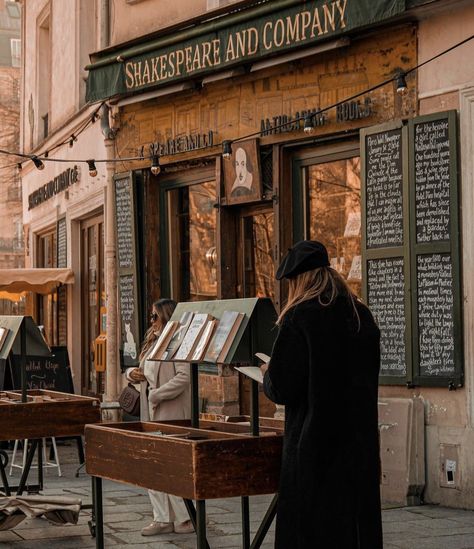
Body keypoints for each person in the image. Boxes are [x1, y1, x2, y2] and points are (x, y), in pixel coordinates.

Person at [261, 240, 382, 549]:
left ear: (299, 281)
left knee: (313, 534)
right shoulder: (362, 316)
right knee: (354, 531)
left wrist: (267, 376)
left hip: (314, 450)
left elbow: (282, 387)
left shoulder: (300, 318)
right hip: (358, 448)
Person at [125, 298, 194, 536]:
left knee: (172, 466)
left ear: (167, 316)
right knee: (152, 464)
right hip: (150, 412)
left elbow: (184, 378)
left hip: (171, 413)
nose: (151, 321)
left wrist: (157, 395)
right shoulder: (153, 341)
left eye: (155, 316)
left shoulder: (179, 342)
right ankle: (162, 518)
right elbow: (144, 369)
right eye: (150, 316)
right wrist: (130, 373)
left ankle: (184, 518)